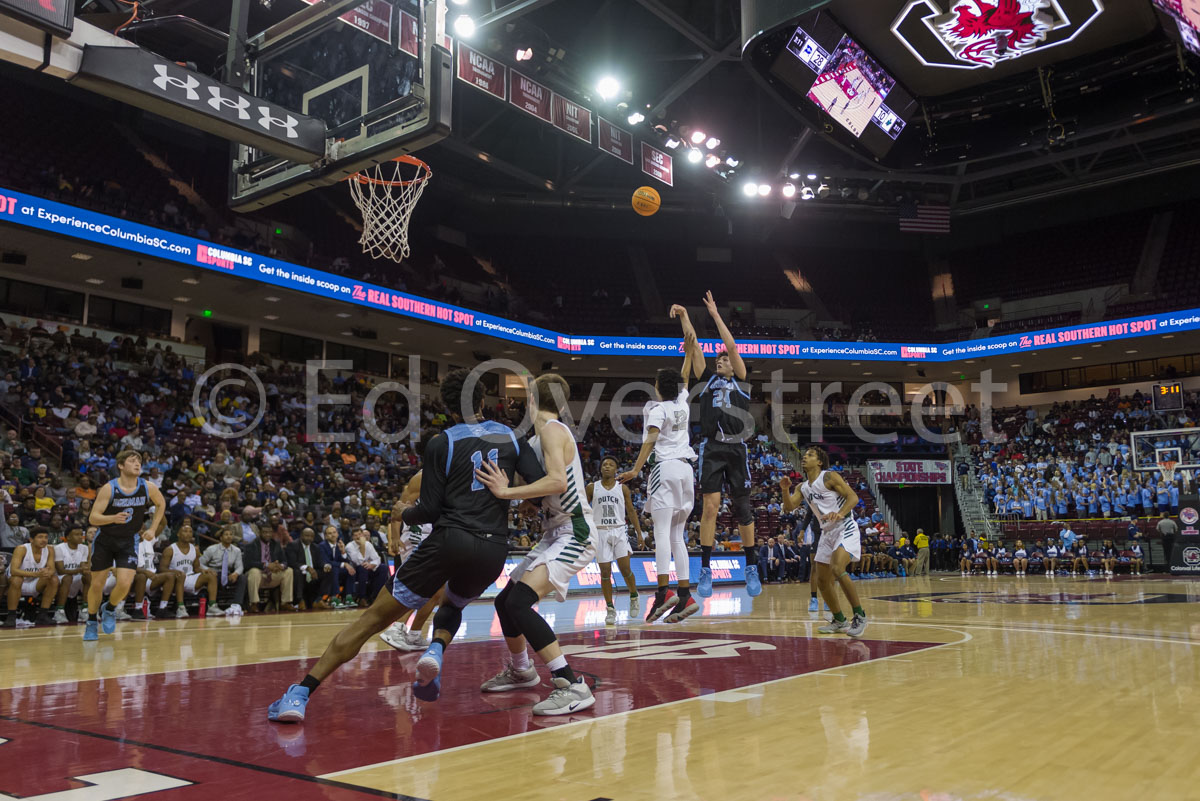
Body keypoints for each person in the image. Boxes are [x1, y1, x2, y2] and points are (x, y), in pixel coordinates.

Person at [268, 368, 547, 723]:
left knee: (370, 621)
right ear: (483, 401)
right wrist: (516, 496)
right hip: (493, 549)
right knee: (454, 602)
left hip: (449, 541)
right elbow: (539, 490)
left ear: (446, 405)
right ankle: (435, 647)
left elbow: (429, 509)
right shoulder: (510, 435)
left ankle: (300, 693)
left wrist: (405, 511)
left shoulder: (441, 442)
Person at [476, 373, 602, 714]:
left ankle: (571, 684)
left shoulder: (551, 430)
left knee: (519, 602)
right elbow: (548, 490)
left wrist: (507, 492)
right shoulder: (538, 438)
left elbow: (558, 482)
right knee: (505, 602)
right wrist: (527, 500)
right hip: (554, 531)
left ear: (531, 401)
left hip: (575, 530)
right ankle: (521, 670)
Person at [681, 296, 761, 599]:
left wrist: (715, 314)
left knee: (743, 509)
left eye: (724, 359)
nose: (720, 361)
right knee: (710, 509)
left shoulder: (741, 378)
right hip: (712, 448)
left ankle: (750, 566)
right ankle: (705, 569)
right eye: (719, 360)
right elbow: (694, 345)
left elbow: (732, 346)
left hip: (737, 447)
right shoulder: (708, 380)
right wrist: (686, 315)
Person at [618, 341, 700, 624]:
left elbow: (651, 441)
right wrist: (688, 354)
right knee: (678, 536)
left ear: (656, 386)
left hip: (664, 469)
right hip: (688, 472)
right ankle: (686, 594)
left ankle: (664, 592)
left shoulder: (657, 408)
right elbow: (685, 377)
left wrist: (636, 469)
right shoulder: (682, 404)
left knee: (663, 533)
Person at [782, 446, 867, 637]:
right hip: (827, 532)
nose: (805, 458)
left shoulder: (829, 477)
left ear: (819, 462)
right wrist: (785, 490)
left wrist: (840, 513)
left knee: (837, 568)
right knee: (821, 580)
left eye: (810, 455)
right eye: (804, 456)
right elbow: (789, 507)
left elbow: (853, 497)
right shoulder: (802, 487)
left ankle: (860, 616)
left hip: (845, 526)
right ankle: (839, 620)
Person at [84, 450, 166, 640]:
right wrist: (113, 518)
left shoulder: (148, 487)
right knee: (97, 584)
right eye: (132, 461)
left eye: (139, 460)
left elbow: (161, 504)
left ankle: (110, 609)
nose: (137, 464)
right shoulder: (109, 488)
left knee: (125, 583)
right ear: (121, 466)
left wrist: (153, 528)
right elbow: (93, 517)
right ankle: (90, 622)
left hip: (128, 540)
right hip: (105, 539)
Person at [380, 469, 445, 651]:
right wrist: (393, 537)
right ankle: (396, 628)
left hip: (433, 536)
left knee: (438, 591)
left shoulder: (445, 474)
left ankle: (414, 634)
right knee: (422, 587)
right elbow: (398, 509)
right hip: (416, 537)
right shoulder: (423, 477)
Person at [586, 455, 645, 625]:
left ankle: (634, 595)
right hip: (600, 531)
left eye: (611, 464)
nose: (607, 467)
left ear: (616, 470)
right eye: (604, 464)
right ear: (601, 468)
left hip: (619, 530)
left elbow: (631, 512)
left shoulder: (622, 488)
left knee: (625, 568)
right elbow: (582, 508)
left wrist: (639, 534)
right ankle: (610, 608)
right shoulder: (592, 488)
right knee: (605, 572)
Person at [3, 527, 57, 627]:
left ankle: (43, 615)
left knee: (53, 579)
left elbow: (52, 569)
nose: (44, 540)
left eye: (46, 537)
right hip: (17, 582)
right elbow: (14, 571)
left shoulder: (50, 549)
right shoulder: (21, 549)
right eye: (40, 537)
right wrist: (37, 574)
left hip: (35, 582)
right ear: (31, 539)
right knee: (17, 580)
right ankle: (11, 616)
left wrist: (47, 572)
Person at [162, 523, 216, 616]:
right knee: (181, 576)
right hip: (175, 579)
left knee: (211, 576)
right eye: (185, 531)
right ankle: (181, 607)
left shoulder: (195, 550)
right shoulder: (170, 549)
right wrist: (174, 571)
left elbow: (196, 568)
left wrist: (204, 571)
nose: (188, 534)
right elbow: (162, 569)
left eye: (190, 532)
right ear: (178, 534)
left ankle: (212, 607)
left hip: (190, 577)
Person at [243, 526, 295, 613]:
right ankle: (254, 603)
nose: (267, 534)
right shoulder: (250, 545)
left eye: (269, 532)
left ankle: (285, 603)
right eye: (265, 532)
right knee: (254, 571)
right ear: (259, 533)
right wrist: (266, 565)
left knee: (289, 571)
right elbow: (247, 563)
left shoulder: (276, 544)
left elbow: (285, 561)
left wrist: (281, 566)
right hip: (259, 575)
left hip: (273, 574)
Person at [198, 525, 245, 616]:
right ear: (221, 537)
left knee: (242, 578)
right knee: (213, 577)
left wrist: (235, 574)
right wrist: (208, 570)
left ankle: (236, 605)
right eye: (226, 534)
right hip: (214, 574)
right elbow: (200, 563)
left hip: (228, 575)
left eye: (231, 534)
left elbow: (240, 567)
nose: (229, 536)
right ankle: (212, 606)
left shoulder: (237, 550)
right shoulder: (212, 549)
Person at [131, 533, 175, 619]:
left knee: (170, 576)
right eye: (139, 529)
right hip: (134, 578)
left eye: (143, 529)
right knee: (141, 577)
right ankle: (138, 609)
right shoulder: (128, 544)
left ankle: (162, 608)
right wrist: (145, 572)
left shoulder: (148, 542)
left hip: (151, 577)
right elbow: (128, 566)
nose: (141, 531)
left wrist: (156, 519)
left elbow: (162, 524)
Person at [52, 525, 90, 624]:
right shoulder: (59, 548)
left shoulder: (84, 548)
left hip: (75, 577)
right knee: (67, 578)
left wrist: (85, 570)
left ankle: (85, 610)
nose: (80, 537)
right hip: (60, 579)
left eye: (81, 534)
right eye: (76, 534)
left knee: (89, 576)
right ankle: (59, 611)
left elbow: (83, 566)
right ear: (68, 537)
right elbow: (60, 570)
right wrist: (80, 570)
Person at [286, 526, 329, 611]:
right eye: (306, 535)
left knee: (328, 572)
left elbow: (320, 562)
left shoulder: (315, 547)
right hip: (300, 572)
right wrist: (307, 568)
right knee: (297, 572)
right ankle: (300, 600)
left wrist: (325, 566)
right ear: (301, 536)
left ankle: (318, 600)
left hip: (313, 573)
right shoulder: (293, 545)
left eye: (311, 536)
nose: (309, 538)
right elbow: (292, 562)